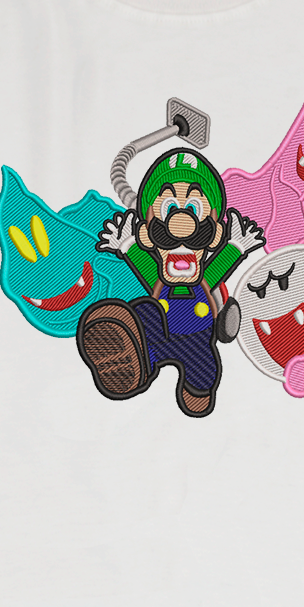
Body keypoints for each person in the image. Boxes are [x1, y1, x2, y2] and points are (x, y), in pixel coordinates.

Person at [74, 148, 262, 417]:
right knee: (145, 312)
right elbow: (146, 267)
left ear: (215, 233)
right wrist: (127, 244)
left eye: (194, 209)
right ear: (145, 233)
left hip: (197, 340)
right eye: (169, 209)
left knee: (203, 370)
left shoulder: (202, 279)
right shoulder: (161, 275)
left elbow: (215, 270)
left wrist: (236, 246)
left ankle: (196, 390)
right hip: (156, 333)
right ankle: (133, 360)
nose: (181, 224)